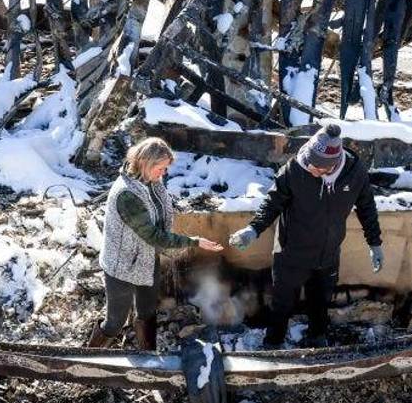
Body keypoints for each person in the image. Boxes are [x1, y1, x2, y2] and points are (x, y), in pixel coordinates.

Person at [229, 124, 382, 347]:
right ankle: (273, 342)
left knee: (320, 302)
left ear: (333, 165)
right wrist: (253, 229)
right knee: (282, 303)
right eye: (309, 162)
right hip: (291, 252)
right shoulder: (294, 170)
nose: (310, 167)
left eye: (317, 167)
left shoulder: (354, 172)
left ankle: (317, 338)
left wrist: (375, 243)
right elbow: (272, 203)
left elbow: (367, 206)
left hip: (328, 254)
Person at [90, 137, 223, 350]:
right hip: (121, 265)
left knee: (147, 312)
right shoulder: (127, 194)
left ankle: (149, 362)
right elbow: (152, 235)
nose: (164, 173)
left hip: (145, 258)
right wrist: (194, 242)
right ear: (145, 163)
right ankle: (85, 362)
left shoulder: (150, 182)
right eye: (160, 168)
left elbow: (159, 214)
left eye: (165, 169)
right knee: (115, 322)